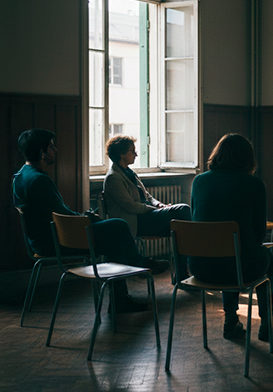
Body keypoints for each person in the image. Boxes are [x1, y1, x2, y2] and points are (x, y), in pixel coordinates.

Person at [12, 128, 161, 312]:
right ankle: (135, 267)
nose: (55, 150)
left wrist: (86, 218)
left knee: (115, 241)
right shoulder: (39, 181)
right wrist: (86, 219)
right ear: (42, 153)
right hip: (54, 241)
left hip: (41, 240)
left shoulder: (21, 176)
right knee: (119, 226)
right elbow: (63, 215)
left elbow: (60, 213)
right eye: (51, 146)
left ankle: (122, 297)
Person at [188, 133, 273, 342]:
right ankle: (267, 323)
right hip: (240, 269)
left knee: (226, 252)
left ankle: (231, 321)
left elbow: (196, 221)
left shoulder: (199, 181)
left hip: (200, 267)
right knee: (262, 259)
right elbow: (259, 235)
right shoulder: (254, 184)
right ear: (247, 158)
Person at [102, 135, 191, 238]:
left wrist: (159, 205)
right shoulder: (113, 178)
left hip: (146, 215)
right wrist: (153, 208)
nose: (136, 154)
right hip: (136, 221)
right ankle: (192, 251)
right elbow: (131, 206)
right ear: (122, 154)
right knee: (183, 210)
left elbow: (147, 196)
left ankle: (186, 251)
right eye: (132, 151)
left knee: (178, 225)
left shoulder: (129, 173)